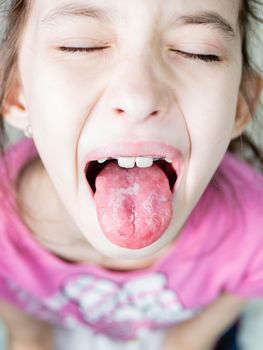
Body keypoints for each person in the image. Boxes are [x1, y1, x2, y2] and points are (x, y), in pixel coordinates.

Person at [0, 0, 262, 349]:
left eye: (197, 52)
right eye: (81, 45)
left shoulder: (252, 226)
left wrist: (194, 335)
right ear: (16, 91)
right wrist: (28, 332)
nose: (139, 96)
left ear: (240, 105)